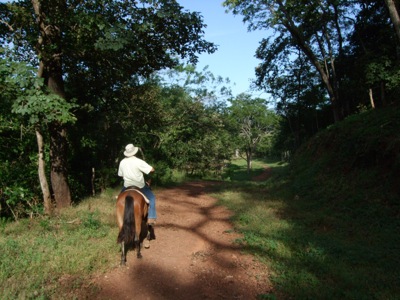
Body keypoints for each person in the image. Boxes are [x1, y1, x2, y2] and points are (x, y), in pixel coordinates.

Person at [117, 143, 157, 226]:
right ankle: (151, 218)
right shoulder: (138, 161)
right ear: (135, 152)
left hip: (127, 185)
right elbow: (152, 170)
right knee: (152, 198)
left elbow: (120, 175)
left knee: (119, 198)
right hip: (140, 186)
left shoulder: (122, 162)